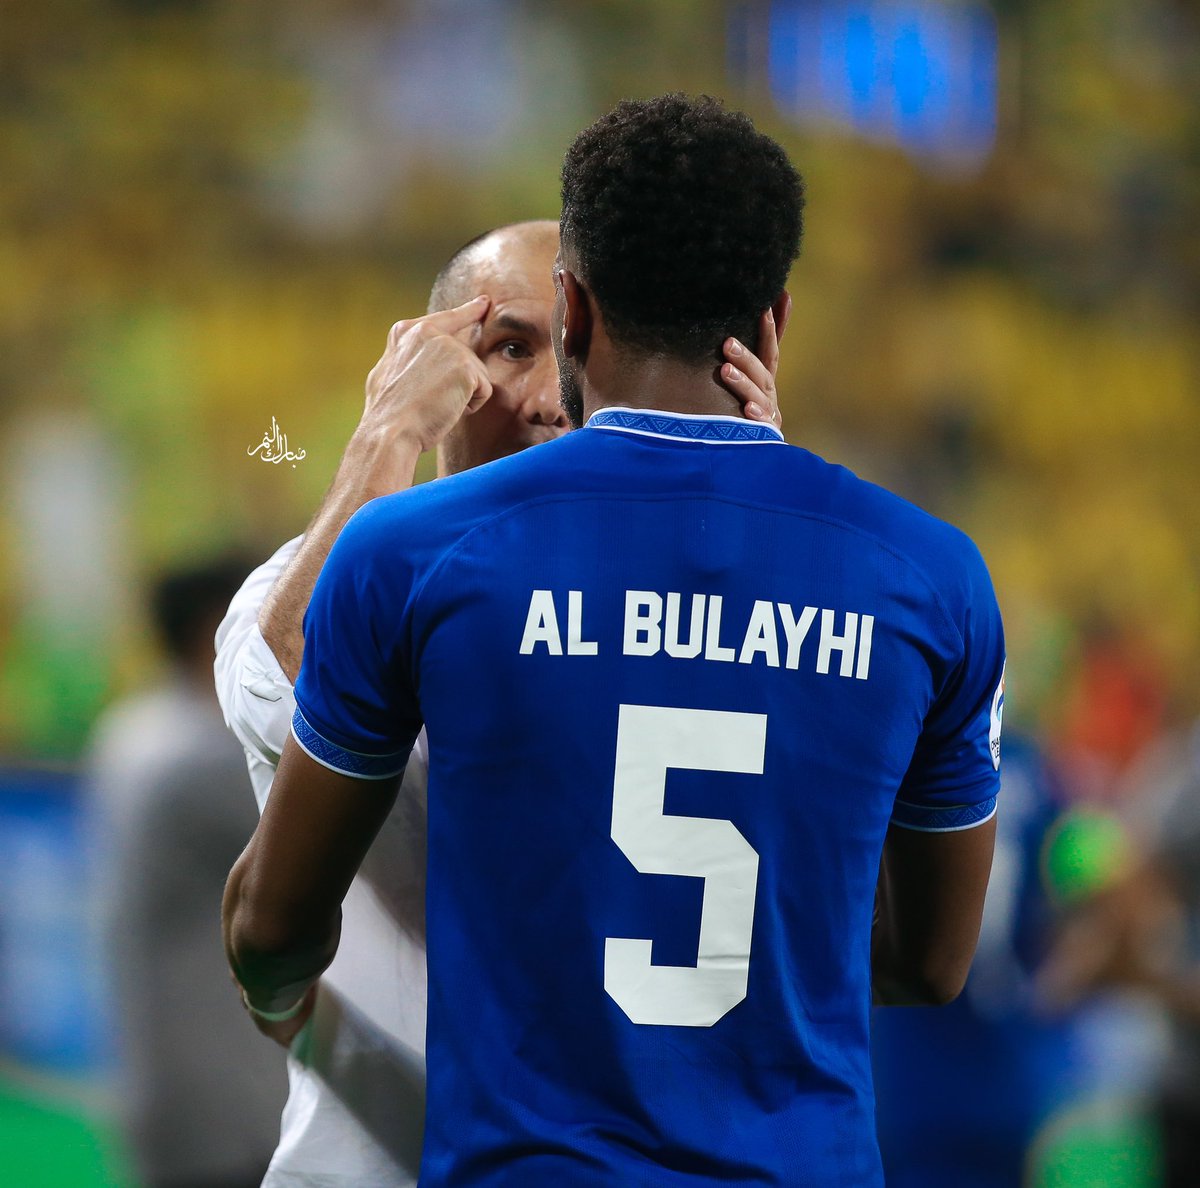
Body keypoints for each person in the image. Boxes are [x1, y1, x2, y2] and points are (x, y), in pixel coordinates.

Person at [224, 95, 1004, 1186]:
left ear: (578, 307)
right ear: (773, 321)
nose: (543, 393)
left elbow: (271, 931)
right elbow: (930, 961)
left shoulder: (406, 557)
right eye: (504, 348)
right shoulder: (927, 577)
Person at [214, 218, 778, 1185]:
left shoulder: (710, 610)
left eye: (577, 354)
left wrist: (763, 500)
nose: (551, 398)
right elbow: (290, 696)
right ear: (422, 366)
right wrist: (389, 434)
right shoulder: (302, 583)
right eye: (509, 348)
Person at [89, 557, 286, 1188]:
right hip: (228, 1101)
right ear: (216, 630)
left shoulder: (136, 727)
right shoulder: (201, 757)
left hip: (171, 1081)